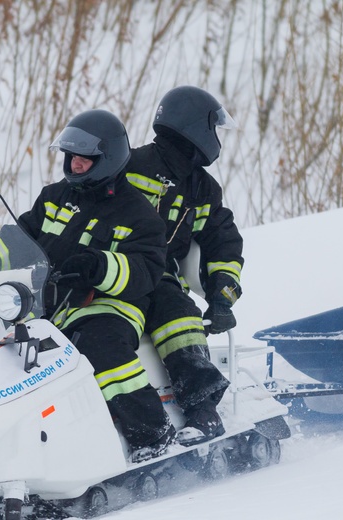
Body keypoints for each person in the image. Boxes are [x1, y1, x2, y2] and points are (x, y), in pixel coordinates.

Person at [0, 109, 176, 463]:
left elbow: (144, 270)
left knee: (99, 346)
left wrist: (99, 266)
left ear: (108, 159)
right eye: (70, 157)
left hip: (107, 305)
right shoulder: (56, 196)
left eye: (84, 159)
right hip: (48, 301)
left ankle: (152, 433)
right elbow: (18, 237)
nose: (74, 165)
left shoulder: (139, 214)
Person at [125, 86, 242, 446]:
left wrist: (222, 296)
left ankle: (203, 410)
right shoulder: (128, 164)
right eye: (215, 128)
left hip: (155, 277)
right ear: (197, 127)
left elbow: (223, 240)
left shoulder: (204, 189)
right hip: (101, 269)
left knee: (179, 315)